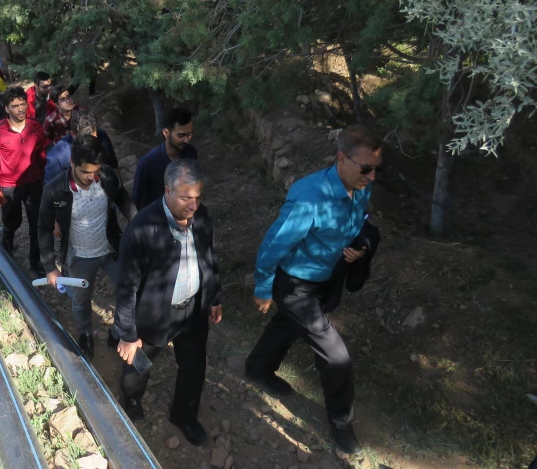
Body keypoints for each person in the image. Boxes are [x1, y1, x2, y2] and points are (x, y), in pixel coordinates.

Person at [245, 125, 383, 456]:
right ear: (342, 158)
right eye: (366, 168)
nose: (372, 176)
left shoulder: (359, 187)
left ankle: (257, 368)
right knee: (336, 357)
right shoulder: (310, 198)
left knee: (287, 326)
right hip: (295, 287)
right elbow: (273, 245)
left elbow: (360, 223)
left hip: (326, 278)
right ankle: (340, 421)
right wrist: (263, 288)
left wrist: (362, 244)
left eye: (376, 168)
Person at [114, 159, 221, 445]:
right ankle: (133, 399)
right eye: (186, 197)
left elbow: (210, 259)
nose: (193, 205)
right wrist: (127, 334)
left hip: (193, 311)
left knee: (194, 366)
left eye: (198, 197)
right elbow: (126, 287)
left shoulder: (203, 217)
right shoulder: (142, 229)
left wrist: (214, 298)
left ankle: (184, 416)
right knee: (138, 367)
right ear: (167, 191)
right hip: (153, 316)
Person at [39, 135, 136, 357]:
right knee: (81, 301)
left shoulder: (107, 176)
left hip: (111, 250)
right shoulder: (55, 191)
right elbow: (44, 228)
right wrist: (49, 267)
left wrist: (138, 224)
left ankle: (118, 330)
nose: (92, 177)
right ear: (72, 163)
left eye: (96, 171)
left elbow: (125, 202)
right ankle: (85, 333)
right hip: (80, 257)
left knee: (129, 290)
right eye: (85, 172)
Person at [0, 86, 47, 274]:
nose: (20, 109)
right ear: (6, 109)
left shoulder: (36, 127)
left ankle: (35, 261)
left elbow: (41, 155)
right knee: (12, 222)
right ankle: (7, 241)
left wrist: (44, 180)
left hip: (33, 183)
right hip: (8, 186)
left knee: (36, 224)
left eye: (23, 104)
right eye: (15, 106)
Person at [132, 107, 198, 211]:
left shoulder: (191, 153)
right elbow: (137, 202)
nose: (186, 140)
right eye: (181, 135)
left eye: (189, 135)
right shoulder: (147, 163)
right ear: (166, 133)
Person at [44, 110, 119, 185]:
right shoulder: (58, 158)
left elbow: (113, 166)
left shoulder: (102, 137)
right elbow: (51, 191)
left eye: (93, 138)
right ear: (73, 134)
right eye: (85, 140)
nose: (90, 143)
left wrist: (118, 186)